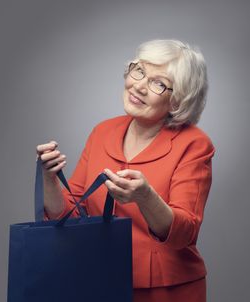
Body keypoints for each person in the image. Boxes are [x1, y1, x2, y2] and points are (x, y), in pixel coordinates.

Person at [36, 39, 215, 302]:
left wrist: (146, 197)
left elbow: (184, 233)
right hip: (99, 280)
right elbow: (71, 214)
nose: (139, 85)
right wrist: (50, 179)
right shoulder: (102, 132)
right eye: (139, 70)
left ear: (177, 101)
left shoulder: (195, 144)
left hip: (167, 291)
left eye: (158, 83)